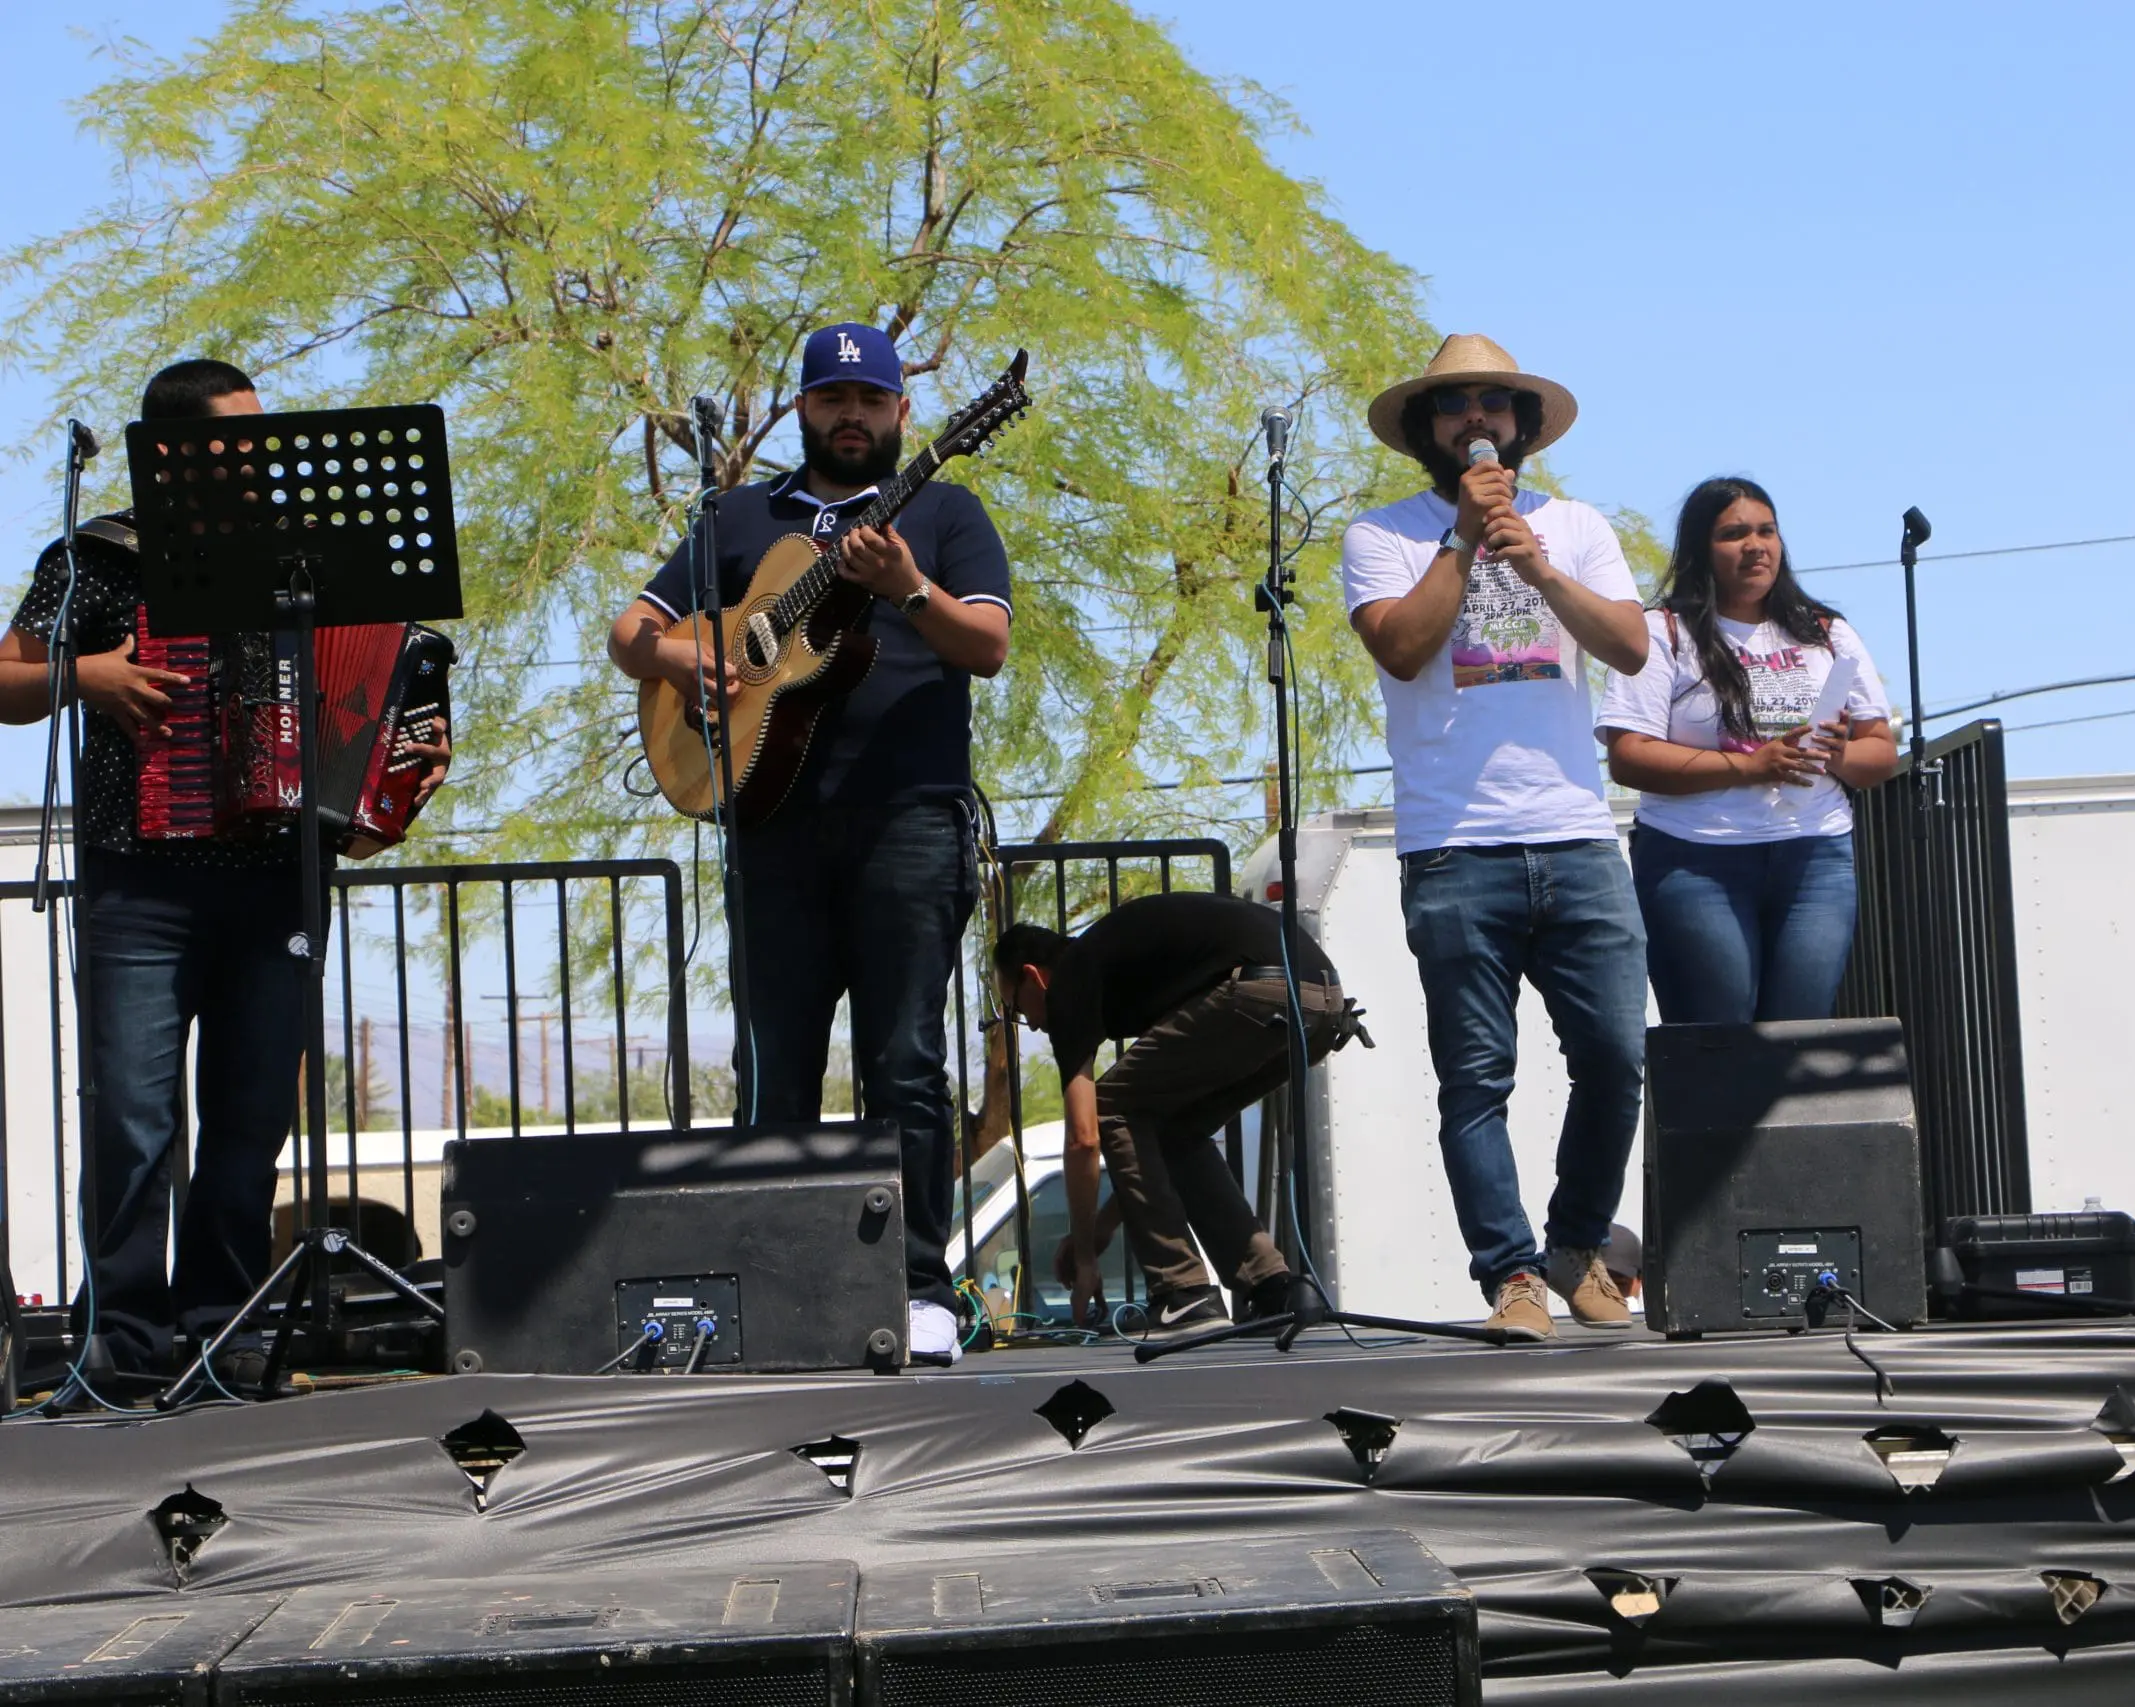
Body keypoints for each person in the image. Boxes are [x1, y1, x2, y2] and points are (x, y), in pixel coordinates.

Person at [0, 359, 451, 1397]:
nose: (256, 461)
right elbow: (6, 678)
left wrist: (403, 762)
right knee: (131, 1118)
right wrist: (89, 676)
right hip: (138, 882)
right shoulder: (99, 558)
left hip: (272, 882)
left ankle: (228, 1333)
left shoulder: (305, 561)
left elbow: (386, 679)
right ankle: (119, 1342)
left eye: (260, 440)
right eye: (233, 443)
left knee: (249, 1120)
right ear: (168, 454)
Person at [606, 323, 1011, 1366]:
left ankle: (920, 1287)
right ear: (800, 410)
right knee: (772, 1062)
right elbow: (629, 633)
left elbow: (990, 646)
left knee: (907, 1061)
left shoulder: (945, 511)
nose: (851, 416)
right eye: (832, 399)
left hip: (910, 820)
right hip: (770, 825)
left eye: (870, 400)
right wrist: (685, 655)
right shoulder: (740, 517)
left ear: (904, 415)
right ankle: (771, 1284)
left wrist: (909, 591)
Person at [1339, 333, 1652, 1341]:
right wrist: (1461, 542)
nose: (1474, 418)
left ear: (1521, 423)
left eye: (1492, 403)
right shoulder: (1382, 536)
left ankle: (1575, 1245)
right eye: (1452, 405)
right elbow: (1399, 647)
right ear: (1427, 431)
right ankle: (1510, 1273)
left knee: (1613, 1056)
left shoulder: (1580, 526)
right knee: (1476, 1076)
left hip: (1574, 835)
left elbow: (1632, 645)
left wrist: (1543, 570)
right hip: (1454, 845)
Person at [992, 892, 1361, 1337]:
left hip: (1260, 992)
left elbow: (1084, 1136)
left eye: (1015, 1010)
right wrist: (1105, 1226)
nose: (1030, 1025)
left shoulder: (1070, 979)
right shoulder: (1124, 965)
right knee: (1175, 1127)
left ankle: (1182, 1293)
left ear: (1034, 977)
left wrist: (1087, 1256)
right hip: (1325, 1008)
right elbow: (1144, 1139)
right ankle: (1274, 1288)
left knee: (1107, 1102)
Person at [1597, 477, 1896, 1024]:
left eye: (1767, 531)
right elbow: (1629, 755)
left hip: (1815, 856)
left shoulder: (1825, 633)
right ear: (1700, 552)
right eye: (1733, 534)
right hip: (1696, 859)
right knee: (1718, 1038)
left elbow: (1880, 753)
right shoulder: (1664, 632)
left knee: (1798, 1035)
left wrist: (1835, 757)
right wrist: (1750, 766)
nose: (1756, 545)